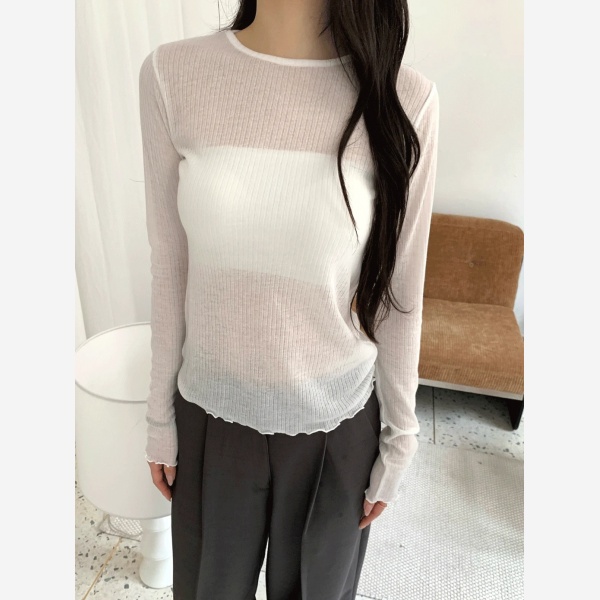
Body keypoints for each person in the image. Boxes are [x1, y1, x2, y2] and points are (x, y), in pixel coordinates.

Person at [138, 1, 439, 598]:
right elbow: (170, 263)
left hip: (337, 421)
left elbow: (401, 289)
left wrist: (401, 436)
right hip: (212, 413)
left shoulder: (404, 97)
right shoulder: (171, 75)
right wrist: (158, 417)